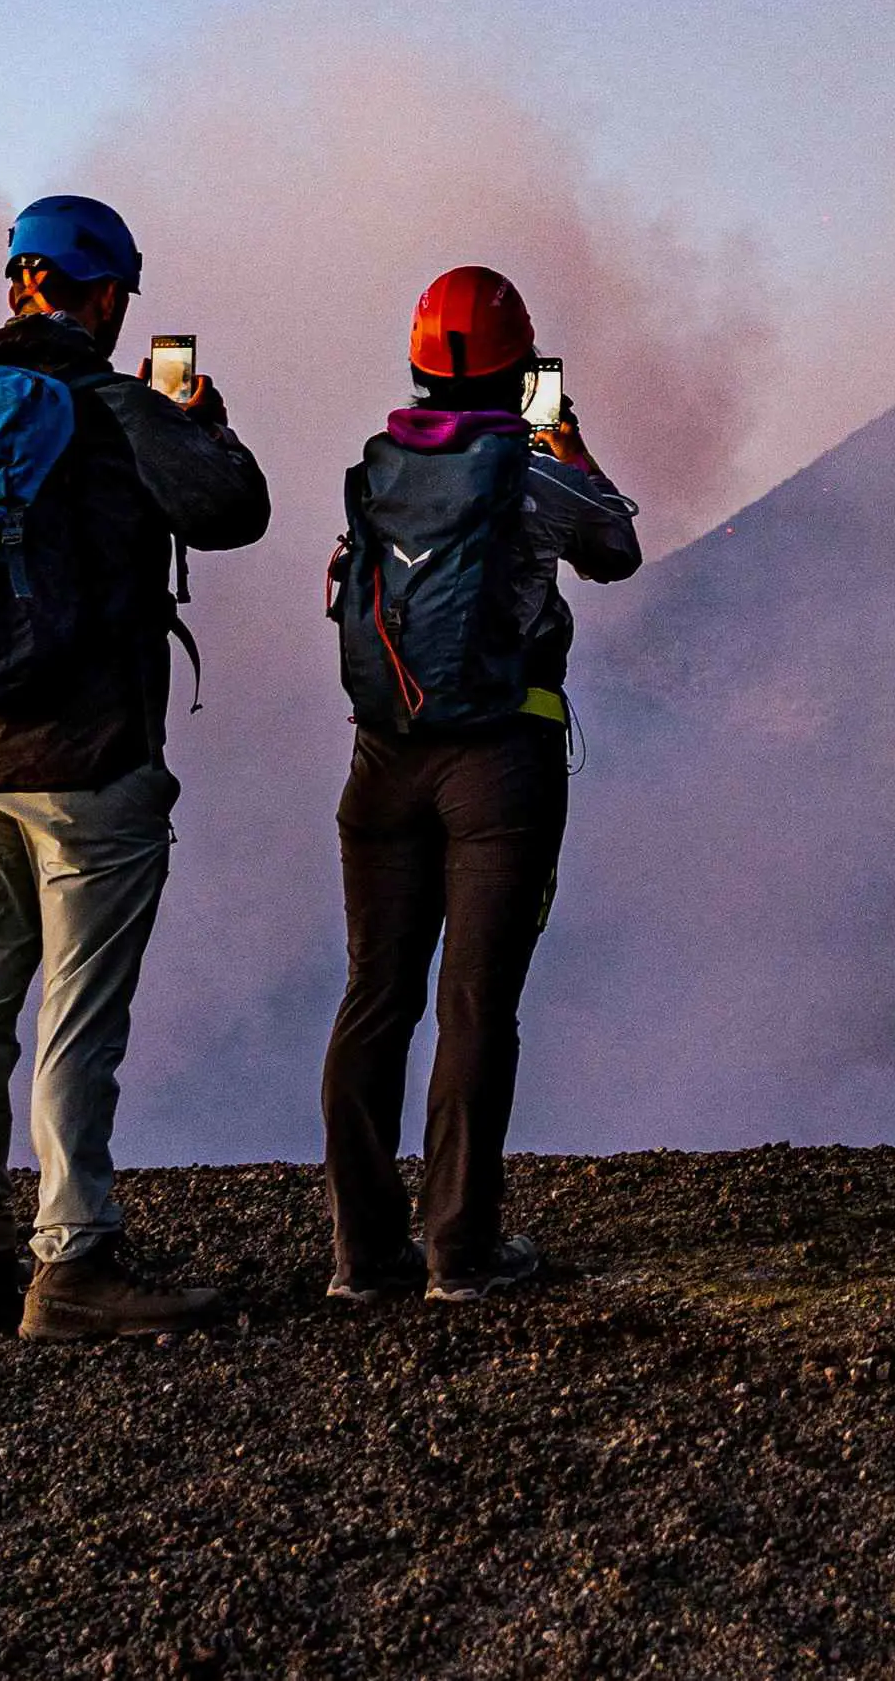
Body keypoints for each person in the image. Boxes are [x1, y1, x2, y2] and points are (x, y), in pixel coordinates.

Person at [0, 195, 271, 1339]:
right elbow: (234, 511)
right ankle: (74, 1262)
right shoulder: (117, 405)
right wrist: (203, 424)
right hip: (86, 761)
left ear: (17, 283)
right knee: (78, 1011)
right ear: (107, 294)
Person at [320, 266, 644, 1301]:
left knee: (375, 996)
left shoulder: (375, 472)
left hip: (380, 760)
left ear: (418, 360)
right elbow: (617, 549)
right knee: (474, 1004)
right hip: (500, 765)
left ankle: (363, 1257)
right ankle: (460, 1251)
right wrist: (568, 441)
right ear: (518, 371)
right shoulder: (529, 471)